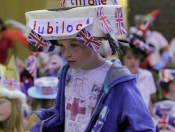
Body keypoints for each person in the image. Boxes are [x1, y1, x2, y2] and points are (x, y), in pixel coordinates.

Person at [25, 1, 155, 131]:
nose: (66, 54)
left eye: (74, 45)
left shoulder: (117, 80)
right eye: (62, 46)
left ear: (96, 42)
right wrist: (39, 116)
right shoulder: (67, 73)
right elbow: (67, 114)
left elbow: (144, 127)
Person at [119, 32, 157, 116]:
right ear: (122, 57)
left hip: (144, 120)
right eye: (129, 57)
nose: (133, 61)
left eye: (136, 58)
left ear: (141, 58)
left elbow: (148, 100)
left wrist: (153, 117)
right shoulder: (117, 77)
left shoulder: (147, 75)